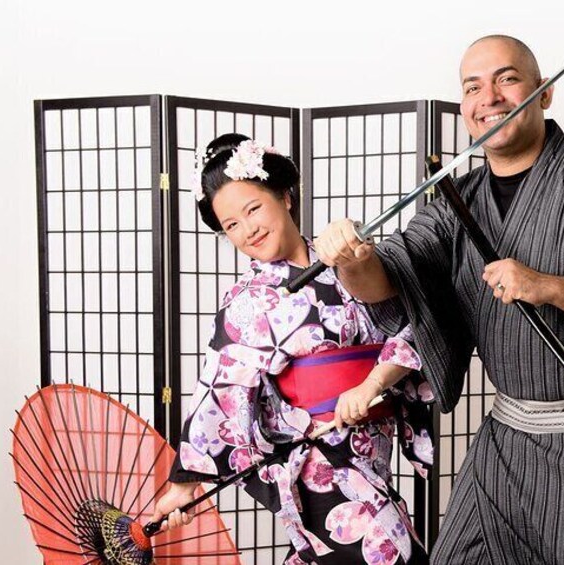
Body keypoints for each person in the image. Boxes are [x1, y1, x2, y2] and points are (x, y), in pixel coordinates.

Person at [315, 35, 564, 564]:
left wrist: (544, 285)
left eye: (507, 79)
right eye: (473, 87)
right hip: (507, 437)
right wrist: (352, 258)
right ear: (463, 107)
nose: (490, 96)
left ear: (544, 92)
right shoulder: (454, 200)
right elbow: (396, 276)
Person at [152, 134, 434, 565]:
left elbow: (409, 323)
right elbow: (221, 390)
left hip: (370, 451)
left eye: (253, 209)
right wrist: (184, 483)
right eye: (231, 225)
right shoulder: (248, 302)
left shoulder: (346, 258)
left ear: (284, 196)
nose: (248, 230)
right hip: (320, 463)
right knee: (394, 556)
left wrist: (373, 383)